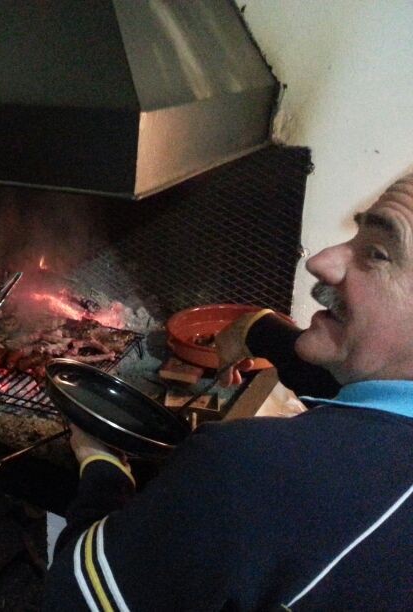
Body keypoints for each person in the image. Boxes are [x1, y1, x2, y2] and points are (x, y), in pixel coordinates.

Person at [42, 171, 413, 610]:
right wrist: (257, 330)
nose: (322, 261)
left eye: (378, 253)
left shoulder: (249, 472)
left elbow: (74, 596)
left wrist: (103, 467)